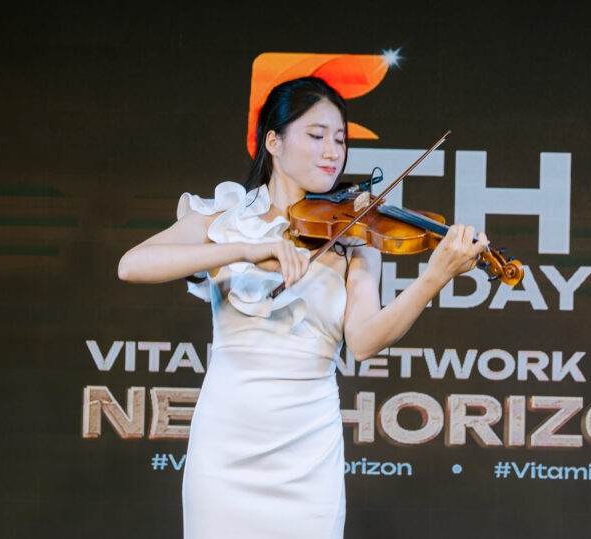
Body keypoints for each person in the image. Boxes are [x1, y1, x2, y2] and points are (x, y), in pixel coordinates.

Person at [117, 77, 488, 538]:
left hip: (308, 451)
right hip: (225, 445)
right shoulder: (225, 219)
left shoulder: (355, 234)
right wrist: (245, 250)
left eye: (340, 139)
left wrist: (434, 278)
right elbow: (132, 265)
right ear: (273, 142)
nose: (333, 152)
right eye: (316, 136)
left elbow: (364, 342)